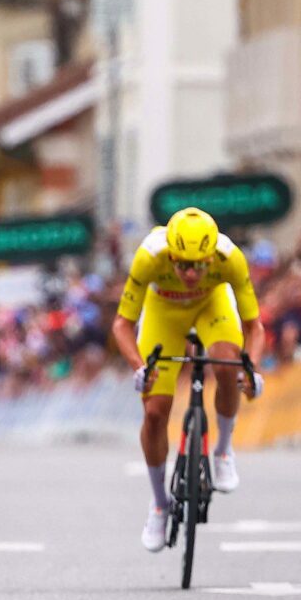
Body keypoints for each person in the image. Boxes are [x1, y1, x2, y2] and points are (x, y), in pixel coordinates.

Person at [110, 208, 265, 552]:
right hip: (163, 313)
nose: (191, 274)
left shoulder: (230, 257)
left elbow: (254, 327)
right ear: (170, 255)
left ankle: (223, 450)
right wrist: (139, 367)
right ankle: (159, 504)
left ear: (212, 257)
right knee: (154, 413)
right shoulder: (149, 256)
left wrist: (251, 368)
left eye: (200, 266)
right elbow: (122, 324)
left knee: (227, 365)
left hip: (212, 307)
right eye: (182, 265)